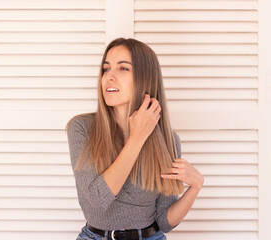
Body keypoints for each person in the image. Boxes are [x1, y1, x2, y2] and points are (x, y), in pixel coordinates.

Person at [66, 38, 204, 240]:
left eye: (122, 69)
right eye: (106, 69)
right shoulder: (81, 129)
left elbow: (164, 222)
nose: (109, 77)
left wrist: (195, 187)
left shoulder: (168, 140)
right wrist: (137, 137)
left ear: (144, 77)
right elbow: (98, 199)